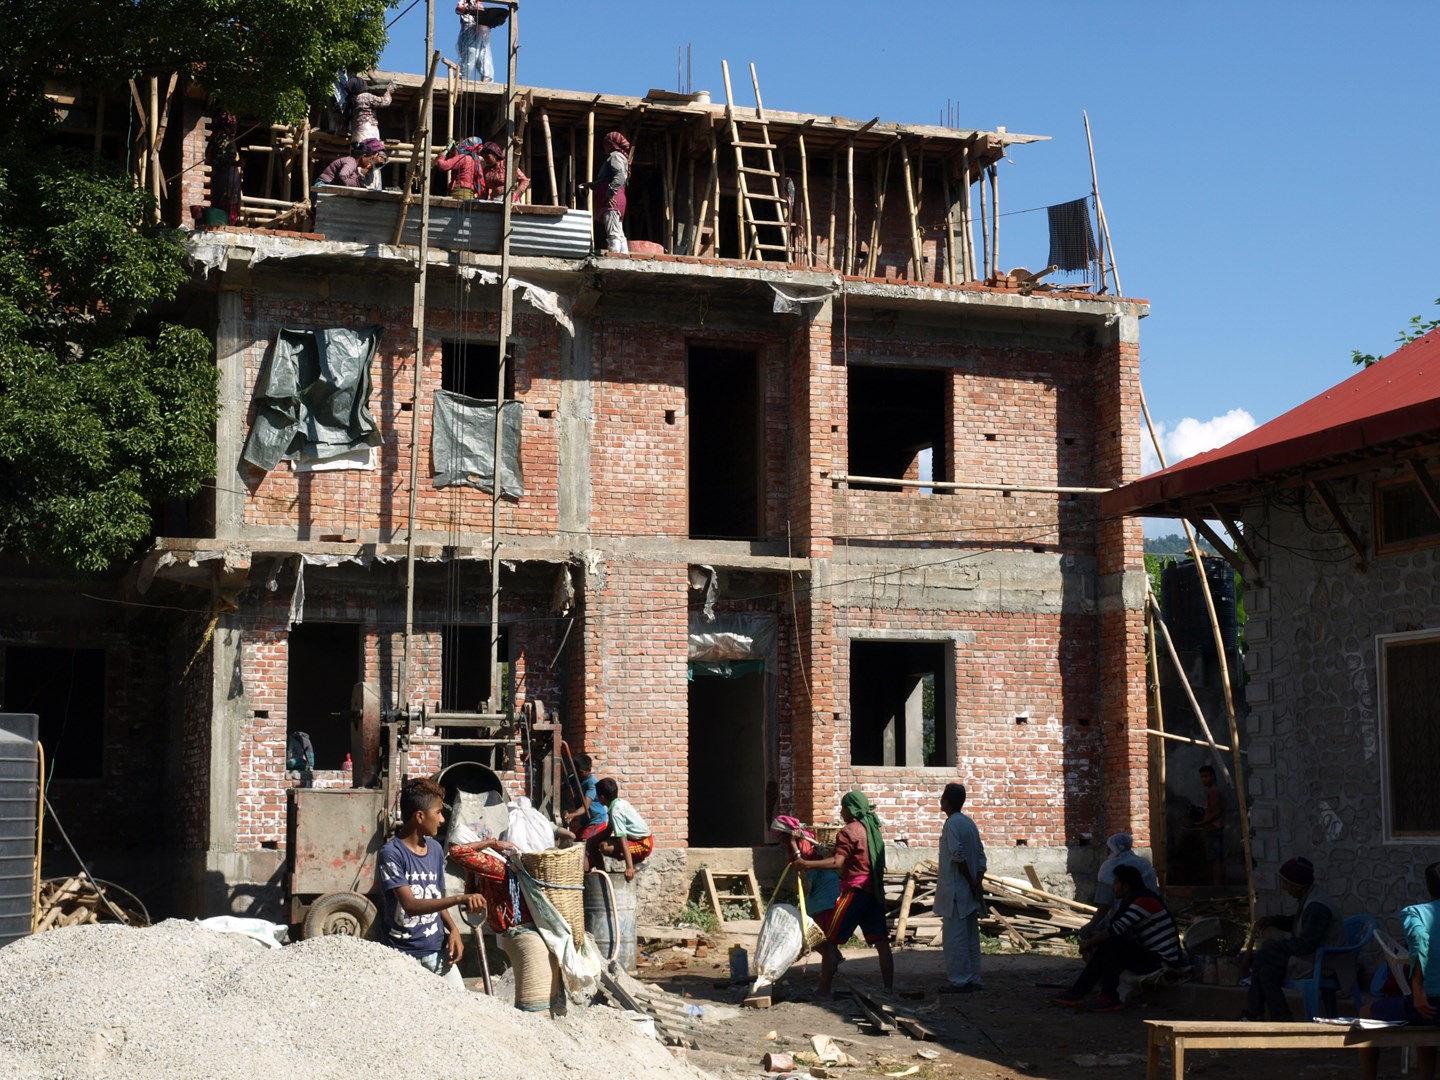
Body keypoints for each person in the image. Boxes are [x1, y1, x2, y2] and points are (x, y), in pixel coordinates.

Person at [378, 777, 485, 987]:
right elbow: (410, 906)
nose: (442, 819)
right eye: (438, 812)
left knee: (458, 1001)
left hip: (437, 952)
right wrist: (460, 898)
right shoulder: (391, 854)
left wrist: (453, 929)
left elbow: (436, 897)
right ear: (420, 816)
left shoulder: (435, 849)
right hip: (402, 956)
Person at [792, 790, 893, 997]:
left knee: (830, 941)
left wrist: (806, 864)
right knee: (882, 942)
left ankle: (823, 991)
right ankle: (889, 989)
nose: (841, 812)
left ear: (851, 809)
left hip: (855, 892)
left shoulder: (848, 831)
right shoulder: (872, 829)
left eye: (843, 807)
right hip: (873, 891)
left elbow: (837, 863)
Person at [1051, 864, 1184, 1011]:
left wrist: (1088, 943)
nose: (1113, 887)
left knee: (1112, 945)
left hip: (1162, 961)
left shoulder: (1143, 902)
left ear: (1125, 886)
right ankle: (1080, 992)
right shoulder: (1138, 899)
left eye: (1115, 882)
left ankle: (1106, 996)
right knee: (1110, 945)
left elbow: (1116, 929)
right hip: (1153, 956)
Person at [1241, 856, 1346, 1021]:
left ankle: (1254, 1013)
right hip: (1311, 957)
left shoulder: (1316, 906)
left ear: (1298, 885)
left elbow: (1305, 946)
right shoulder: (1310, 897)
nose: (1284, 888)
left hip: (1322, 963)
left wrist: (1276, 945)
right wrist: (1274, 920)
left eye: (1287, 884)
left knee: (1264, 955)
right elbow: (1301, 923)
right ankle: (1282, 1020)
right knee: (1267, 971)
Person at [1360, 862, 1440, 1080]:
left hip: (1431, 1003)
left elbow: (1419, 940)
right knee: (1424, 1022)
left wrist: (1417, 989)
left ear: (1428, 887)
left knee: (1366, 1013)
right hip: (1431, 1007)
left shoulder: (1416, 912)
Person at [936, 782, 986, 994]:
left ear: (947, 801)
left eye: (943, 796)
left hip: (956, 890)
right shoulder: (968, 823)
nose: (941, 800)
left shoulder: (952, 824)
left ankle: (959, 980)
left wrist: (971, 881)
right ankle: (973, 978)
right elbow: (981, 857)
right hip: (968, 890)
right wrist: (976, 882)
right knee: (970, 937)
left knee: (955, 938)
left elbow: (957, 855)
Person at [587, 777, 652, 881]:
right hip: (633, 840)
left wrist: (629, 868)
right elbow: (608, 831)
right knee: (596, 843)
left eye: (597, 796)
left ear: (602, 797)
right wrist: (591, 841)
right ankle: (602, 875)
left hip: (643, 844)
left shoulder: (616, 811)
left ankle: (638, 860)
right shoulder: (617, 804)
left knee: (605, 847)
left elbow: (622, 839)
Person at [342, 75, 394, 190]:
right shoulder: (364, 96)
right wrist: (388, 92)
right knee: (374, 159)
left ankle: (359, 184)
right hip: (368, 131)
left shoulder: (351, 101)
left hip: (357, 134)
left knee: (360, 161)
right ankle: (372, 188)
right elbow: (385, 102)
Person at [585, 131, 630, 253]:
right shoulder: (618, 157)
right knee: (618, 230)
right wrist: (591, 185)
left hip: (612, 199)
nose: (604, 147)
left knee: (613, 231)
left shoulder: (615, 156)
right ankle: (623, 255)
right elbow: (606, 179)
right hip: (617, 198)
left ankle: (615, 254)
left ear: (611, 144)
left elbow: (620, 175)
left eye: (606, 144)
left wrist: (610, 194)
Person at [564, 753, 608, 842]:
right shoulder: (574, 778)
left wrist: (572, 815)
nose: (577, 774)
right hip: (585, 823)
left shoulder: (592, 784)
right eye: (575, 771)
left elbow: (585, 806)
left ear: (589, 770)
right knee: (575, 842)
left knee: (585, 844)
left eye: (580, 772)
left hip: (597, 822)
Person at [1196, 764, 1226, 886]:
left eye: (1206, 776)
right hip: (1215, 827)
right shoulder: (1213, 790)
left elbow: (1215, 812)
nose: (1204, 779)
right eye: (1202, 777)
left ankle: (1217, 885)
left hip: (1214, 828)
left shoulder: (1213, 791)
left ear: (1213, 777)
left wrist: (1200, 823)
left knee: (1215, 859)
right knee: (1216, 859)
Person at [315, 139, 386, 189]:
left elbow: (354, 180)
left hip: (326, 186)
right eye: (369, 159)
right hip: (322, 186)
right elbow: (342, 176)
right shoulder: (351, 162)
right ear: (363, 157)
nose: (369, 162)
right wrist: (350, 188)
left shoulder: (354, 166)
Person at [456, 0, 495, 82]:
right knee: (471, 52)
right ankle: (462, 76)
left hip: (480, 30)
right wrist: (467, 10)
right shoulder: (465, 2)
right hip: (468, 30)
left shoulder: (479, 4)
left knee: (483, 52)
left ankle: (487, 76)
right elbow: (459, 9)